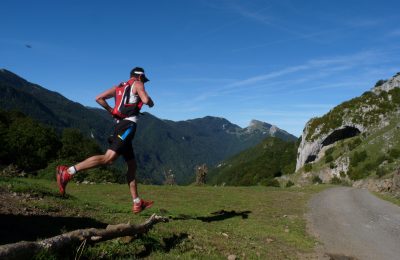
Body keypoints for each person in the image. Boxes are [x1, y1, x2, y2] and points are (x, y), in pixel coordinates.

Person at [56, 67, 155, 214]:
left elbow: (98, 98)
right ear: (139, 77)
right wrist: (150, 102)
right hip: (127, 127)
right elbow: (146, 100)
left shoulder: (118, 88)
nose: (144, 83)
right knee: (108, 159)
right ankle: (68, 172)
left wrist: (111, 111)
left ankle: (137, 202)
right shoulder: (138, 84)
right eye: (144, 80)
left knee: (132, 165)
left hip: (120, 125)